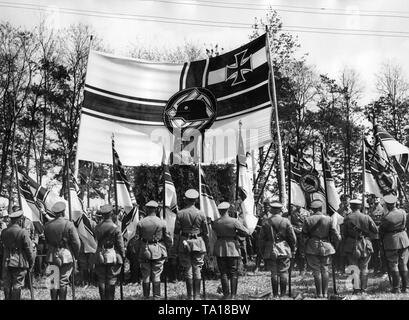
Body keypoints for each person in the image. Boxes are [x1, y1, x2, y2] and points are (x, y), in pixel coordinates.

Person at [174, 189, 209, 300]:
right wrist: (207, 246)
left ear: (186, 200)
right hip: (198, 242)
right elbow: (206, 232)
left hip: (184, 242)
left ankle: (190, 296)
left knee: (188, 269)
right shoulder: (201, 214)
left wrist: (175, 247)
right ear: (196, 200)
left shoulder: (180, 213)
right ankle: (197, 296)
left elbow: (176, 232)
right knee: (197, 268)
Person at [302, 199, 341, 298]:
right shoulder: (329, 219)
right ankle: (325, 293)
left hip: (312, 246)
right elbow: (335, 234)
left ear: (313, 209)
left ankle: (319, 293)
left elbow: (303, 236)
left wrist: (304, 247)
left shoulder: (308, 220)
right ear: (320, 208)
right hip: (326, 246)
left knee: (316, 270)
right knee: (325, 269)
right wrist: (336, 245)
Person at [134, 200, 172, 299]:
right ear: (156, 209)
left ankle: (146, 297)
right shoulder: (162, 222)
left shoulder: (141, 222)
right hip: (158, 250)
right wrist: (168, 248)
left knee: (145, 275)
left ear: (147, 209)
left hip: (144, 250)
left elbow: (137, 239)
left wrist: (137, 251)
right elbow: (167, 238)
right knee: (157, 274)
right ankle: (157, 297)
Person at [258, 201, 296, 298]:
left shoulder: (266, 221)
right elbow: (292, 238)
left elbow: (261, 239)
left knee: (273, 272)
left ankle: (275, 295)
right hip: (284, 249)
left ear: (271, 209)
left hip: (270, 249)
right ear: (280, 210)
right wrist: (292, 249)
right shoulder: (286, 221)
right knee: (283, 272)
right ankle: (283, 295)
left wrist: (262, 251)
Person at [212, 202, 250, 299]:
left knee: (223, 272)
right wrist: (237, 233)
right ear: (228, 210)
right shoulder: (234, 221)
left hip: (220, 247)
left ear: (219, 211)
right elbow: (247, 232)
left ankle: (226, 295)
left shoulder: (216, 222)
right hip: (232, 247)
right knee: (233, 272)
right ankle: (233, 295)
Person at [44, 201, 81, 300]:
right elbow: (76, 243)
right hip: (66, 255)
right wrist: (76, 256)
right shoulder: (69, 224)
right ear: (63, 212)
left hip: (52, 255)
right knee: (63, 281)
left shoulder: (47, 225)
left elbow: (46, 241)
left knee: (53, 281)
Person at [342, 199, 378, 294]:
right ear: (360, 207)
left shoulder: (347, 218)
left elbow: (344, 233)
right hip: (365, 244)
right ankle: (363, 289)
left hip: (351, 245)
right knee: (364, 268)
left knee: (354, 268)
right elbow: (375, 230)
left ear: (351, 206)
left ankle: (356, 290)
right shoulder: (366, 217)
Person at [94, 204, 125, 300]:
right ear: (111, 213)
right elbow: (120, 244)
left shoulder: (97, 227)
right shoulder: (115, 227)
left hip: (100, 254)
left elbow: (96, 241)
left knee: (101, 279)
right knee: (111, 279)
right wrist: (122, 255)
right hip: (112, 254)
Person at [1, 210, 34, 300]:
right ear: (19, 220)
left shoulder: (4, 231)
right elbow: (29, 250)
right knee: (17, 284)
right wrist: (31, 263)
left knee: (7, 284)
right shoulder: (23, 232)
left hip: (6, 261)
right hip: (19, 262)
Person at [379, 194, 409, 293]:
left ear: (387, 205)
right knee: (403, 264)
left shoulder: (386, 217)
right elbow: (404, 224)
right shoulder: (403, 212)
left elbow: (382, 231)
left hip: (391, 241)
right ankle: (406, 287)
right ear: (395, 203)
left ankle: (396, 288)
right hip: (403, 239)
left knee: (393, 264)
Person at [367, 195, 387, 275]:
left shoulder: (383, 210)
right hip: (372, 234)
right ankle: (376, 268)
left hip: (380, 234)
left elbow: (384, 222)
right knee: (374, 253)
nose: (374, 200)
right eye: (373, 198)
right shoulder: (370, 209)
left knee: (382, 253)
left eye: (375, 198)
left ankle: (384, 270)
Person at [288, 204, 310, 275]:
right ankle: (290, 269)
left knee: (302, 253)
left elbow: (309, 223)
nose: (298, 205)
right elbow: (289, 224)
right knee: (293, 251)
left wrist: (304, 230)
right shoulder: (292, 213)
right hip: (294, 234)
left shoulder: (307, 213)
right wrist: (295, 229)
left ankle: (302, 270)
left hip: (303, 234)